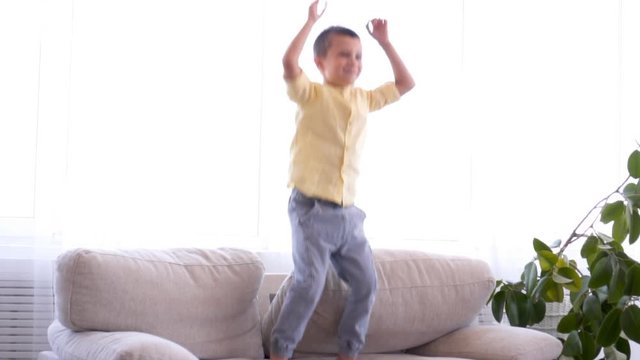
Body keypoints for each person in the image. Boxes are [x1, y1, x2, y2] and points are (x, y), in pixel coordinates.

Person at [270, 1, 415, 359]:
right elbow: (289, 64)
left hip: (349, 217)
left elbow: (405, 83)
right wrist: (309, 22)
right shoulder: (311, 94)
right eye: (343, 55)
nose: (353, 63)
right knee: (309, 284)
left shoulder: (365, 99)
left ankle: (348, 351)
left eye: (357, 56)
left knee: (367, 284)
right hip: (311, 210)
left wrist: (384, 42)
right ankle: (279, 350)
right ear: (321, 62)